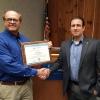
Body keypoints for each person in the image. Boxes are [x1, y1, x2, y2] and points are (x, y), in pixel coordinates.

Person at [42, 17, 100, 100]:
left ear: (83, 28)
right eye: (73, 26)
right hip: (71, 89)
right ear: (70, 28)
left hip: (89, 91)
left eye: (78, 25)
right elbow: (59, 62)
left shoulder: (95, 44)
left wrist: (97, 90)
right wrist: (49, 70)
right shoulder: (65, 45)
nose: (75, 28)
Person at [0, 10, 46, 100]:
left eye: (15, 20)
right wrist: (36, 72)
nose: (12, 22)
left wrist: (45, 48)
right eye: (9, 19)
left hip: (26, 86)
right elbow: (8, 66)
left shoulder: (25, 39)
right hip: (9, 88)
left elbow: (31, 60)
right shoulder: (1, 40)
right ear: (4, 21)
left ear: (20, 22)